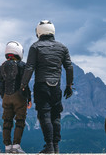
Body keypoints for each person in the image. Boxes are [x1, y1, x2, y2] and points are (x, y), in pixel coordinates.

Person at [20, 20, 74, 154]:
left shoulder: (35, 47)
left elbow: (30, 67)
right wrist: (69, 85)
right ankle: (56, 147)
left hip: (41, 85)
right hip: (56, 87)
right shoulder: (62, 47)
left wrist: (23, 85)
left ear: (39, 31)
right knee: (56, 116)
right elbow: (69, 67)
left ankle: (49, 146)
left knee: (44, 115)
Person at [0, 41, 32, 153]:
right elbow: (25, 84)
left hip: (6, 97)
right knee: (20, 121)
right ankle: (16, 146)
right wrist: (29, 99)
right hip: (19, 97)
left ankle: (7, 146)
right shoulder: (22, 65)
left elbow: (1, 85)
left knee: (7, 121)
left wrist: (3, 97)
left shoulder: (2, 66)